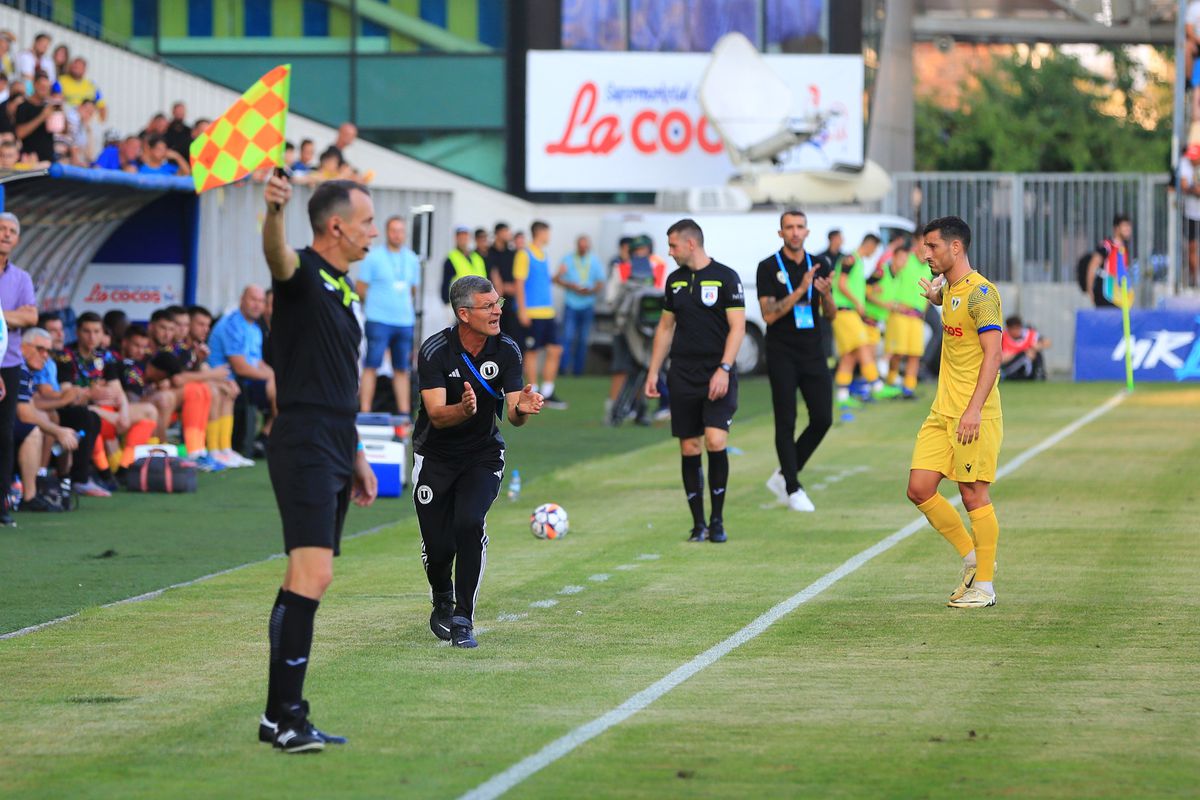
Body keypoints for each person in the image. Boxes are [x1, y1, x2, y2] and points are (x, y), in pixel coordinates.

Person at [259, 174, 379, 752]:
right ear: (337, 226)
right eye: (368, 222)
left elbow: (339, 381)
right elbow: (278, 258)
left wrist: (356, 453)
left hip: (334, 437)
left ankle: (275, 716)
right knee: (314, 575)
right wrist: (274, 210)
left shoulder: (344, 287)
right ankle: (288, 719)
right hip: (304, 438)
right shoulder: (303, 273)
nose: (374, 233)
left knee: (303, 580)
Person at [411, 275, 544, 648]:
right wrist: (464, 409)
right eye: (489, 306)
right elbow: (437, 415)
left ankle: (463, 618)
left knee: (469, 523)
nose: (498, 311)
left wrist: (524, 409)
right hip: (434, 456)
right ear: (464, 313)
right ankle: (442, 596)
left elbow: (514, 413)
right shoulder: (435, 350)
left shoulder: (507, 350)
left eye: (498, 303)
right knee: (438, 548)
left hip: (482, 455)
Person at [906, 216, 1004, 609]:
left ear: (955, 248)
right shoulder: (951, 290)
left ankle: (985, 586)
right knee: (919, 488)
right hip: (942, 411)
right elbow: (953, 309)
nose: (924, 253)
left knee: (973, 494)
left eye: (931, 246)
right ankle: (972, 558)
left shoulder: (982, 293)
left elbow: (994, 354)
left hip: (972, 413)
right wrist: (937, 298)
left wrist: (974, 410)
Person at [645, 219, 745, 543]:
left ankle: (717, 520)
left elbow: (738, 328)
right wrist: (653, 372)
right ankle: (698, 524)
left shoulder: (726, 278)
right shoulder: (674, 282)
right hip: (682, 374)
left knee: (715, 441)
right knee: (689, 446)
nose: (669, 252)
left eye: (673, 245)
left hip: (717, 372)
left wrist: (725, 368)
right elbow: (664, 328)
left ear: (690, 244)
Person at [757, 210, 836, 513]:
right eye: (788, 227)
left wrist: (825, 295)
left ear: (807, 231)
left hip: (813, 350)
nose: (794, 232)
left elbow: (830, 314)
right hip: (782, 352)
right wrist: (801, 290)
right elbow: (768, 314)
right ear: (781, 233)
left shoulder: (821, 263)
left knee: (823, 418)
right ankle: (792, 486)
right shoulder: (767, 267)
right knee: (786, 419)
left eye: (799, 227)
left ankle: (784, 473)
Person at [355, 215, 420, 415]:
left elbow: (413, 289)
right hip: (378, 320)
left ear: (405, 233)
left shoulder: (411, 258)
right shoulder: (373, 257)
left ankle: (403, 413)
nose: (397, 235)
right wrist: (378, 304)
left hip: (404, 321)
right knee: (372, 364)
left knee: (402, 368)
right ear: (386, 232)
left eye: (400, 230)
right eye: (393, 230)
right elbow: (361, 288)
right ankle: (365, 411)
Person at [14, 328, 79, 511]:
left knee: (50, 418)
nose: (45, 356)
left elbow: (29, 406)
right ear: (22, 346)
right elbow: (24, 413)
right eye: (40, 349)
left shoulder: (25, 368)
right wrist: (58, 431)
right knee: (32, 430)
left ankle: (44, 481)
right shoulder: (18, 366)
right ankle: (29, 495)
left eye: (48, 351)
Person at [0, 211, 36, 525]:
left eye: (12, 230)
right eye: (2, 229)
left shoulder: (21, 278)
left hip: (9, 363)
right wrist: (13, 315)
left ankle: (1, 504)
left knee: (4, 434)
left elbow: (31, 318)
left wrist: (1, 316)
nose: (6, 234)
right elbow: (20, 317)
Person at [208, 285, 276, 442]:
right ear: (242, 300)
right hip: (225, 379)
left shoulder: (254, 328)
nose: (257, 304)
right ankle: (264, 437)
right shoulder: (232, 324)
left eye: (261, 301)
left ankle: (266, 435)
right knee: (282, 390)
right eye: (253, 299)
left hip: (243, 381)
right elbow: (241, 368)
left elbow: (257, 361)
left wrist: (272, 374)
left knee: (286, 387)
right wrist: (271, 377)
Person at [514, 220, 566, 408]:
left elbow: (544, 281)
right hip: (532, 312)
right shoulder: (524, 254)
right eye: (548, 232)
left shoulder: (543, 255)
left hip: (548, 312)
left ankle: (548, 391)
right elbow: (519, 283)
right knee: (532, 351)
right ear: (540, 232)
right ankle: (533, 391)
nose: (549, 236)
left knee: (555, 350)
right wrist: (522, 310)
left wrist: (558, 274)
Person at [831, 234, 884, 411]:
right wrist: (857, 302)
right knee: (863, 345)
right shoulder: (851, 259)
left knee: (850, 354)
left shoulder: (857, 261)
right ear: (869, 245)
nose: (874, 253)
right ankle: (876, 385)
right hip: (845, 311)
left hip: (848, 312)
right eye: (874, 249)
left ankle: (842, 395)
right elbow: (841, 284)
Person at [880, 241, 929, 399]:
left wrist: (924, 310)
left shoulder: (930, 265)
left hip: (917, 316)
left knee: (915, 354)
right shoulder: (905, 258)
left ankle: (909, 388)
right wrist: (892, 303)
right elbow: (888, 274)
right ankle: (891, 382)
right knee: (897, 352)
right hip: (900, 314)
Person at [554, 234, 604, 377]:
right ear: (577, 246)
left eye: (585, 246)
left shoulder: (594, 261)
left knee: (583, 339)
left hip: (588, 304)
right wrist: (571, 286)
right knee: (567, 337)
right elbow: (557, 280)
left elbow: (600, 283)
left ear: (588, 246)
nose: (583, 248)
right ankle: (563, 370)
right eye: (580, 246)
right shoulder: (568, 259)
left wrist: (590, 290)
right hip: (571, 304)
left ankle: (578, 371)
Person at [1083, 214, 1132, 309]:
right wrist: (1090, 290)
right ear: (1117, 228)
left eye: (1129, 226)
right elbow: (1093, 265)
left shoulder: (1123, 248)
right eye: (1125, 226)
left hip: (1118, 294)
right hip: (1105, 292)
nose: (1128, 229)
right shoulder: (1107, 246)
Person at [14, 74, 57, 163]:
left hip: (49, 159)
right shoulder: (23, 107)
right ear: (34, 85)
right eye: (41, 86)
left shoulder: (49, 106)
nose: (44, 90)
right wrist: (42, 116)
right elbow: (19, 133)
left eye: (47, 87)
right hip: (30, 160)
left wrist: (59, 113)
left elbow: (60, 130)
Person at [486, 222, 518, 341]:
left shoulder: (512, 253)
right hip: (494, 299)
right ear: (498, 233)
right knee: (493, 332)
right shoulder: (489, 252)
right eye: (506, 232)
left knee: (509, 335)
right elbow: (490, 274)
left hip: (510, 300)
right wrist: (502, 287)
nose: (508, 234)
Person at [441, 226, 487, 305]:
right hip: (460, 304)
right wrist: (447, 303)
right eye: (460, 237)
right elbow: (446, 283)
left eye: (465, 236)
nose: (463, 239)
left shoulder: (477, 258)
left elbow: (485, 281)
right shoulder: (451, 258)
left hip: (478, 303)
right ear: (456, 238)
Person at [1000, 315, 1049, 381]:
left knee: (1036, 354)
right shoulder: (1002, 337)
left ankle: (1039, 374)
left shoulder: (1028, 334)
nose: (1016, 331)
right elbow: (1001, 359)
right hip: (1011, 370)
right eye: (1014, 328)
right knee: (1024, 355)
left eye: (1018, 328)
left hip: (1029, 367)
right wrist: (1021, 353)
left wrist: (1035, 348)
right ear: (1008, 328)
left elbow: (1047, 342)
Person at [1179, 145, 1200, 288]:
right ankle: (1195, 279)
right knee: (1191, 247)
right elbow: (1185, 186)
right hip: (1191, 214)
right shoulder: (1184, 163)